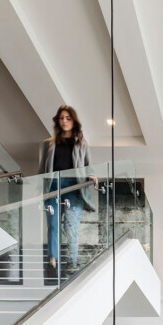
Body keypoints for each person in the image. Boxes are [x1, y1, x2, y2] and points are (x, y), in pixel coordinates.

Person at [38, 105, 96, 272]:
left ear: (73, 121)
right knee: (53, 225)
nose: (64, 121)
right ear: (58, 121)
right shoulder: (48, 144)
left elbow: (87, 165)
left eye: (68, 118)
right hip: (53, 186)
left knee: (70, 226)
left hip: (74, 187)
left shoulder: (82, 143)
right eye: (61, 118)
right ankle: (52, 259)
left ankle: (72, 261)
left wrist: (91, 176)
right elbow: (42, 169)